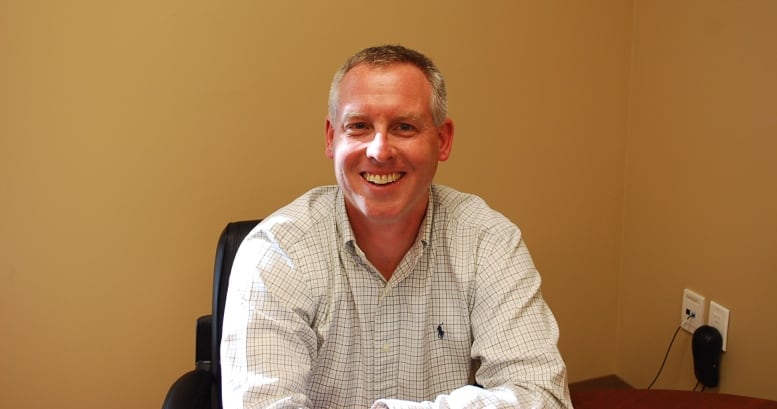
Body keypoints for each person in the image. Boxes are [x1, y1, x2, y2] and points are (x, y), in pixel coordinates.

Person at [221, 44, 573, 408]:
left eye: (404, 127)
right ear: (331, 138)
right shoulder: (276, 253)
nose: (379, 150)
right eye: (358, 126)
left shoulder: (488, 241)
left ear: (442, 140)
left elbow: (542, 397)